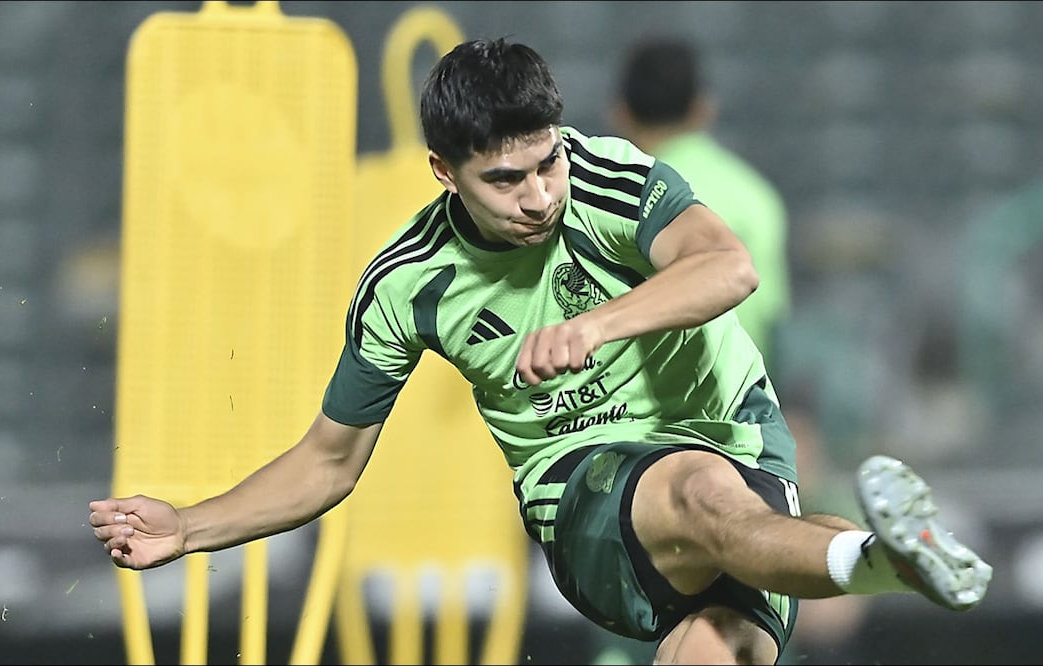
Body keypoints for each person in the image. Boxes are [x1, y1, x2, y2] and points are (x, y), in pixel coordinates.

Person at [90, 38, 992, 665]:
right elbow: (328, 462)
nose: (539, 195)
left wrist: (595, 325)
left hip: (739, 434)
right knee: (696, 490)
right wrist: (192, 527)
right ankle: (881, 563)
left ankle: (889, 561)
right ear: (445, 172)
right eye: (506, 178)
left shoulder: (605, 174)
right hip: (582, 488)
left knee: (720, 645)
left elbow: (728, 266)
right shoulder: (407, 285)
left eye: (547, 162)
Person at [609, 37, 790, 371]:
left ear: (621, 113)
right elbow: (772, 324)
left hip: (637, 410)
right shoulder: (756, 196)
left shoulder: (611, 196)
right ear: (703, 108)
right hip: (738, 405)